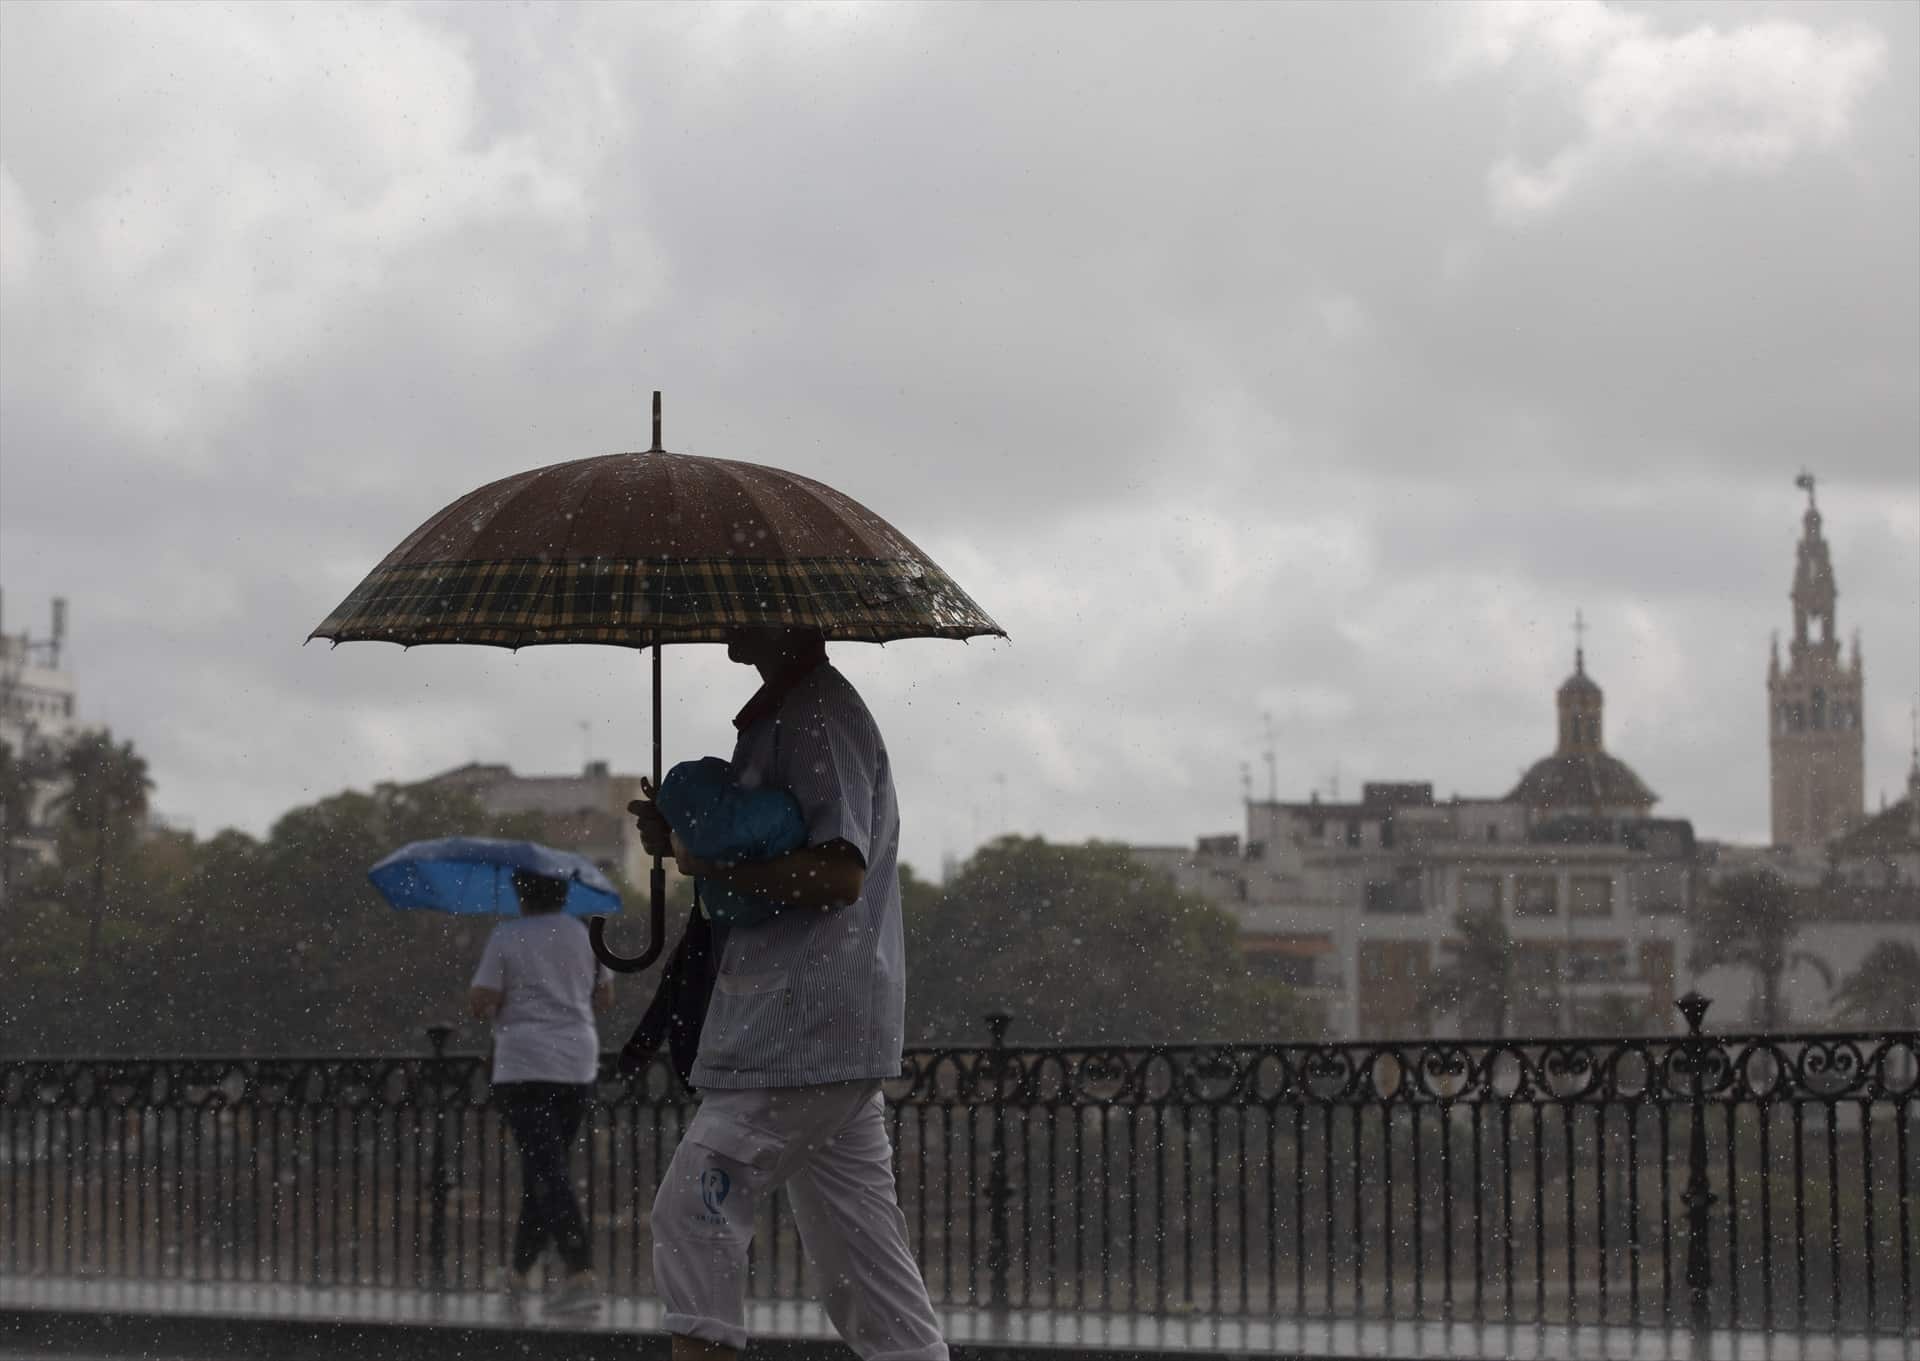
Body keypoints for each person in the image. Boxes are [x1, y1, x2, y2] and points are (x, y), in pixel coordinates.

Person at [630, 627, 946, 1361]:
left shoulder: (817, 716)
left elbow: (838, 875)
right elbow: (771, 848)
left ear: (787, 611)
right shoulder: (792, 712)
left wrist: (702, 858)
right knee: (865, 1272)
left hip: (799, 1025)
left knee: (691, 1215)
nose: (727, 615)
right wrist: (684, 839)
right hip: (815, 1026)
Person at [468, 868, 614, 1312]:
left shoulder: (507, 936)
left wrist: (508, 1001)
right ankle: (517, 1271)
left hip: (525, 1063)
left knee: (547, 1171)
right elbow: (604, 999)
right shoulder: (586, 934)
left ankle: (580, 1272)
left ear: (520, 894)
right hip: (576, 1062)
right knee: (546, 1168)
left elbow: (482, 1000)